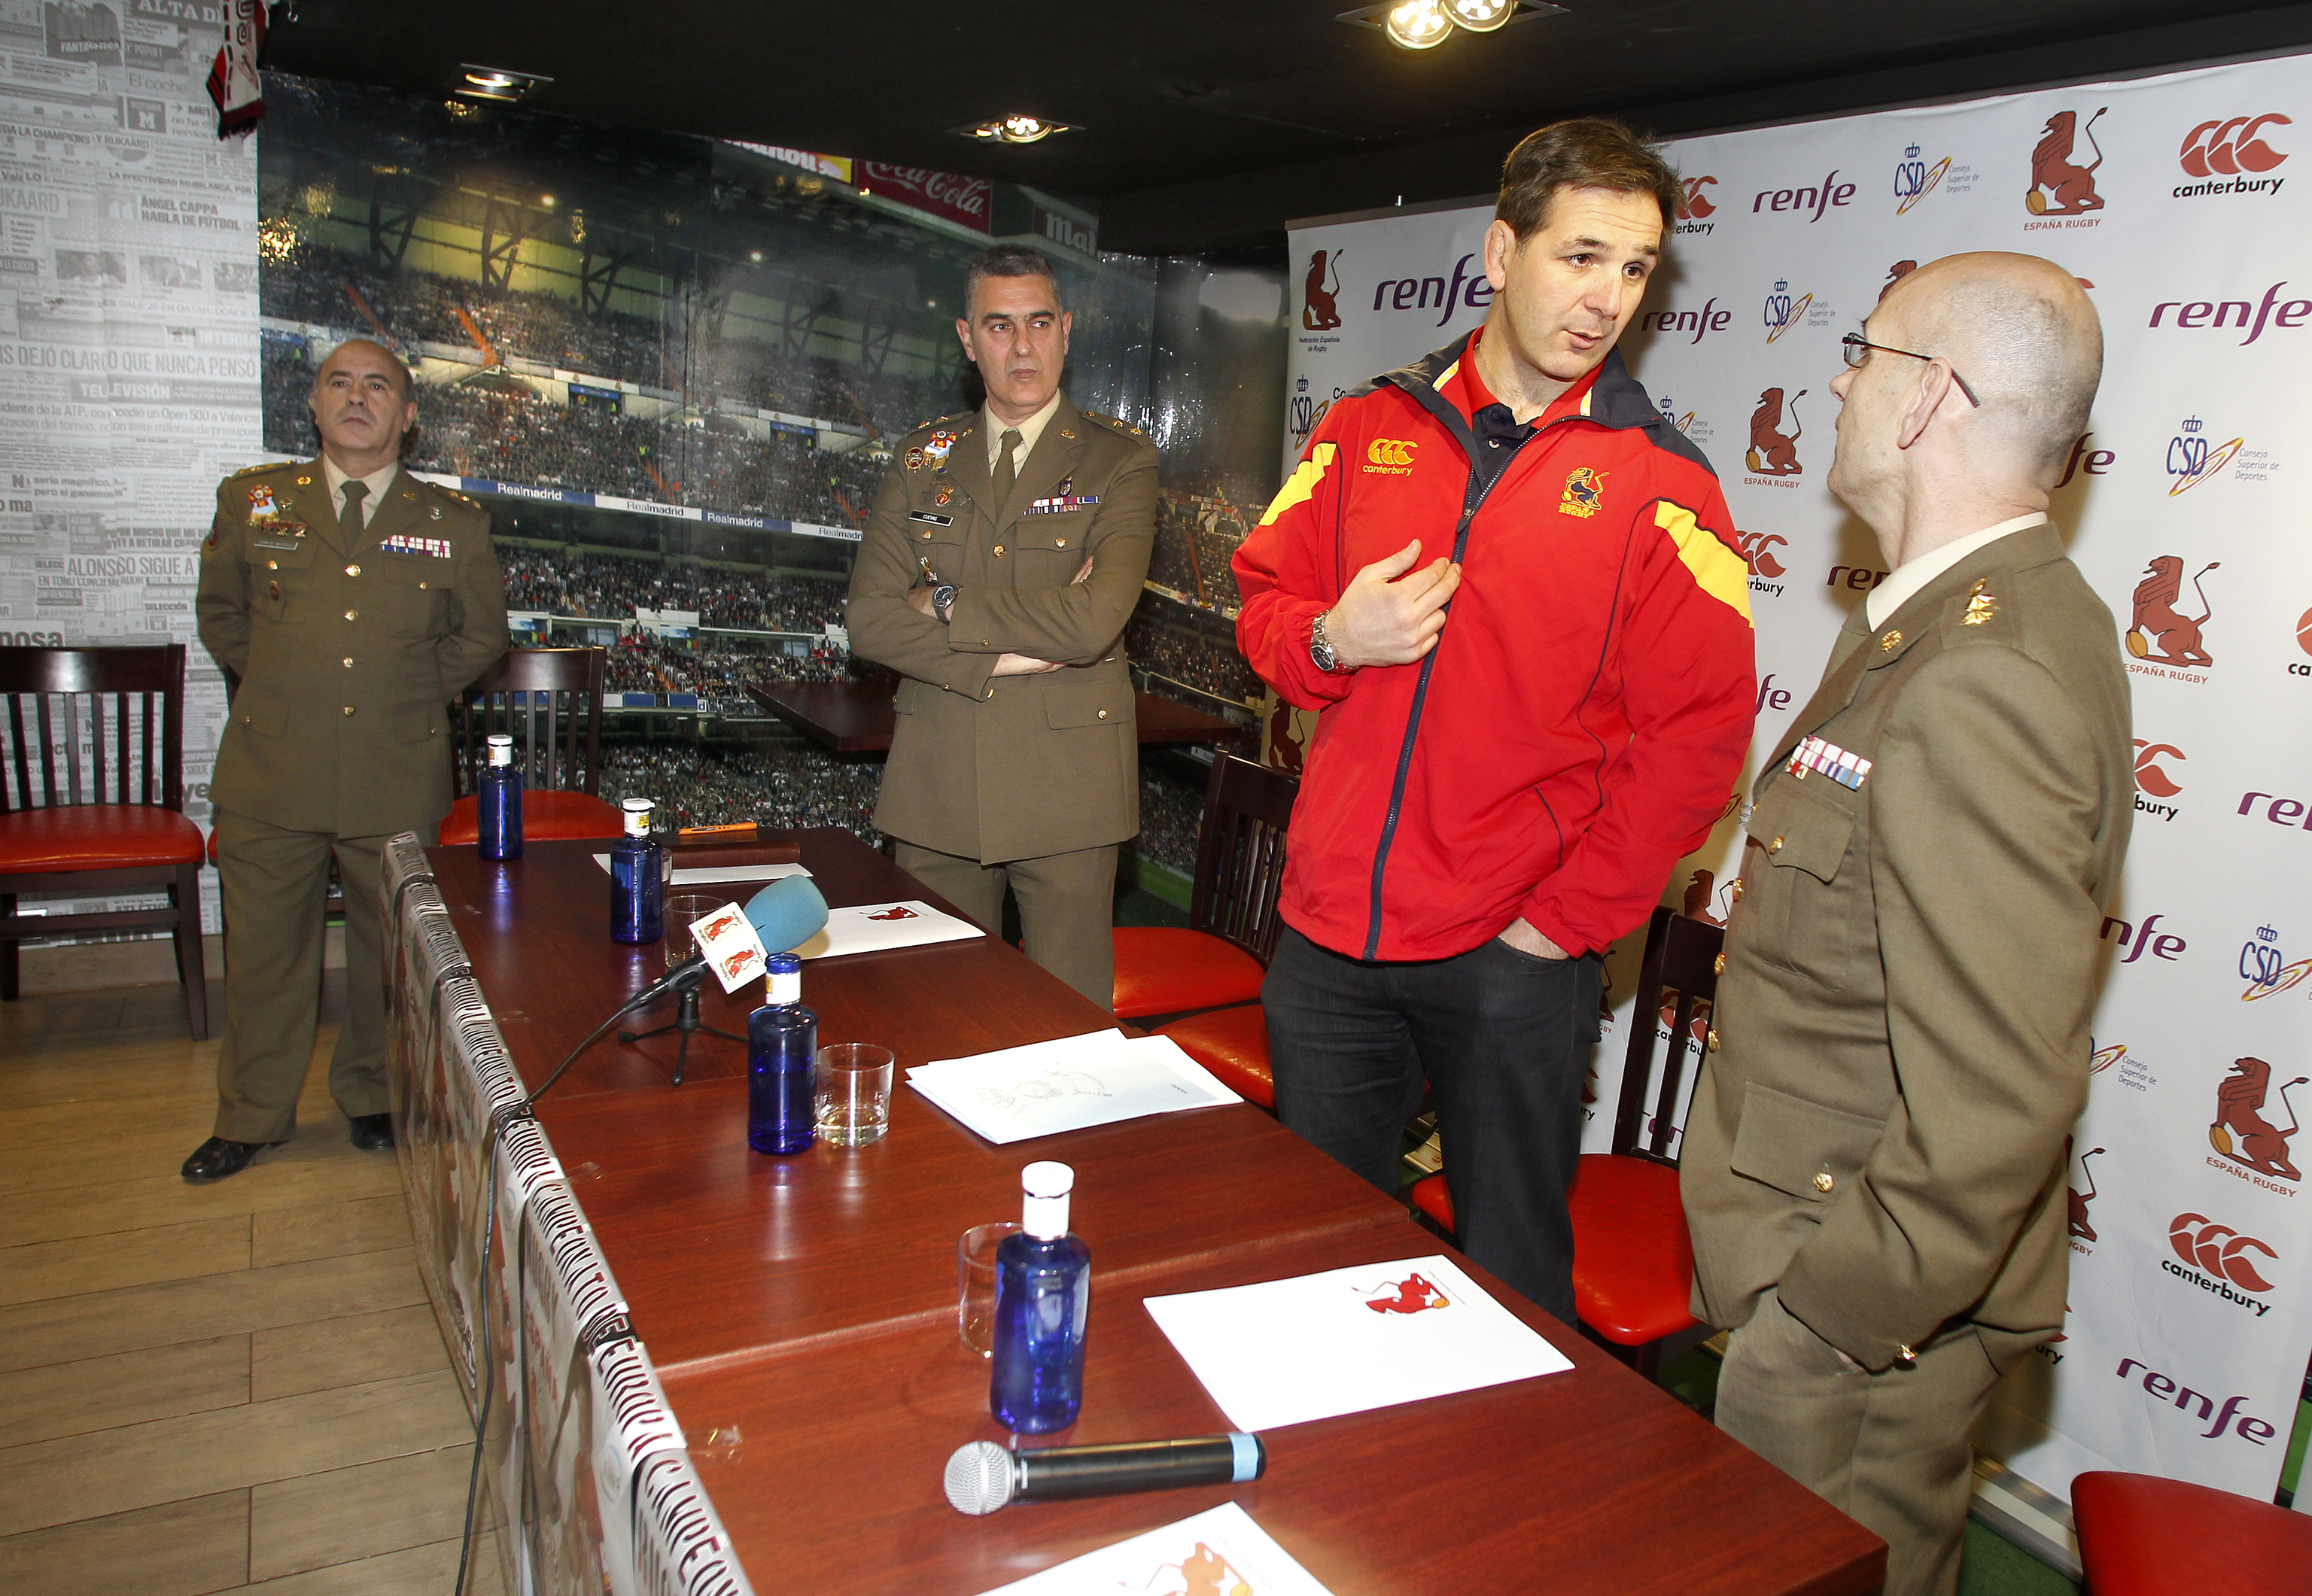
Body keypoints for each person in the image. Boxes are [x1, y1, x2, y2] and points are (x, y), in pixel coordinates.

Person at [1231, 119, 1757, 1321]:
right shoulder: (1365, 428)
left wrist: (1560, 927)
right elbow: (1264, 600)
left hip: (1510, 954)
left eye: (1635, 270)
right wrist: (1329, 640)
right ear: (1498, 251)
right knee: (1316, 1252)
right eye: (1581, 257)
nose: (1607, 297)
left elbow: (1700, 739)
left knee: (1510, 1282)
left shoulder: (1667, 486)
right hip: (1331, 943)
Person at [1680, 253, 2130, 1596]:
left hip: (1861, 1319)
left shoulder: (1981, 670)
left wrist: (1821, 1323)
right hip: (1843, 1275)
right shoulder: (1942, 624)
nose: (1834, 379)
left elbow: (1995, 1094)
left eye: (1861, 352)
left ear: (1929, 396)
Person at [184, 338, 508, 1182]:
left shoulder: (454, 524)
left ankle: (372, 1096)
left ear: (408, 415)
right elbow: (222, 617)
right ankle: (251, 1115)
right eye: (339, 383)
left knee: (386, 960)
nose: (356, 398)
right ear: (315, 406)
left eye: (378, 387)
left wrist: (404, 694)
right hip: (271, 771)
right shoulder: (253, 502)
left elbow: (481, 637)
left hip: (393, 770)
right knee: (260, 957)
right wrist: (292, 688)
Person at [847, 245, 1156, 1008]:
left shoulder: (1121, 462)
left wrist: (942, 599)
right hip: (939, 783)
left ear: (1067, 330)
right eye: (999, 325)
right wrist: (1009, 657)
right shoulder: (925, 457)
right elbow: (868, 621)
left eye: (1040, 322)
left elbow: (1093, 622)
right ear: (966, 337)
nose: (1023, 346)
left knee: (1066, 1029)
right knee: (932, 1013)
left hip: (1068, 794)